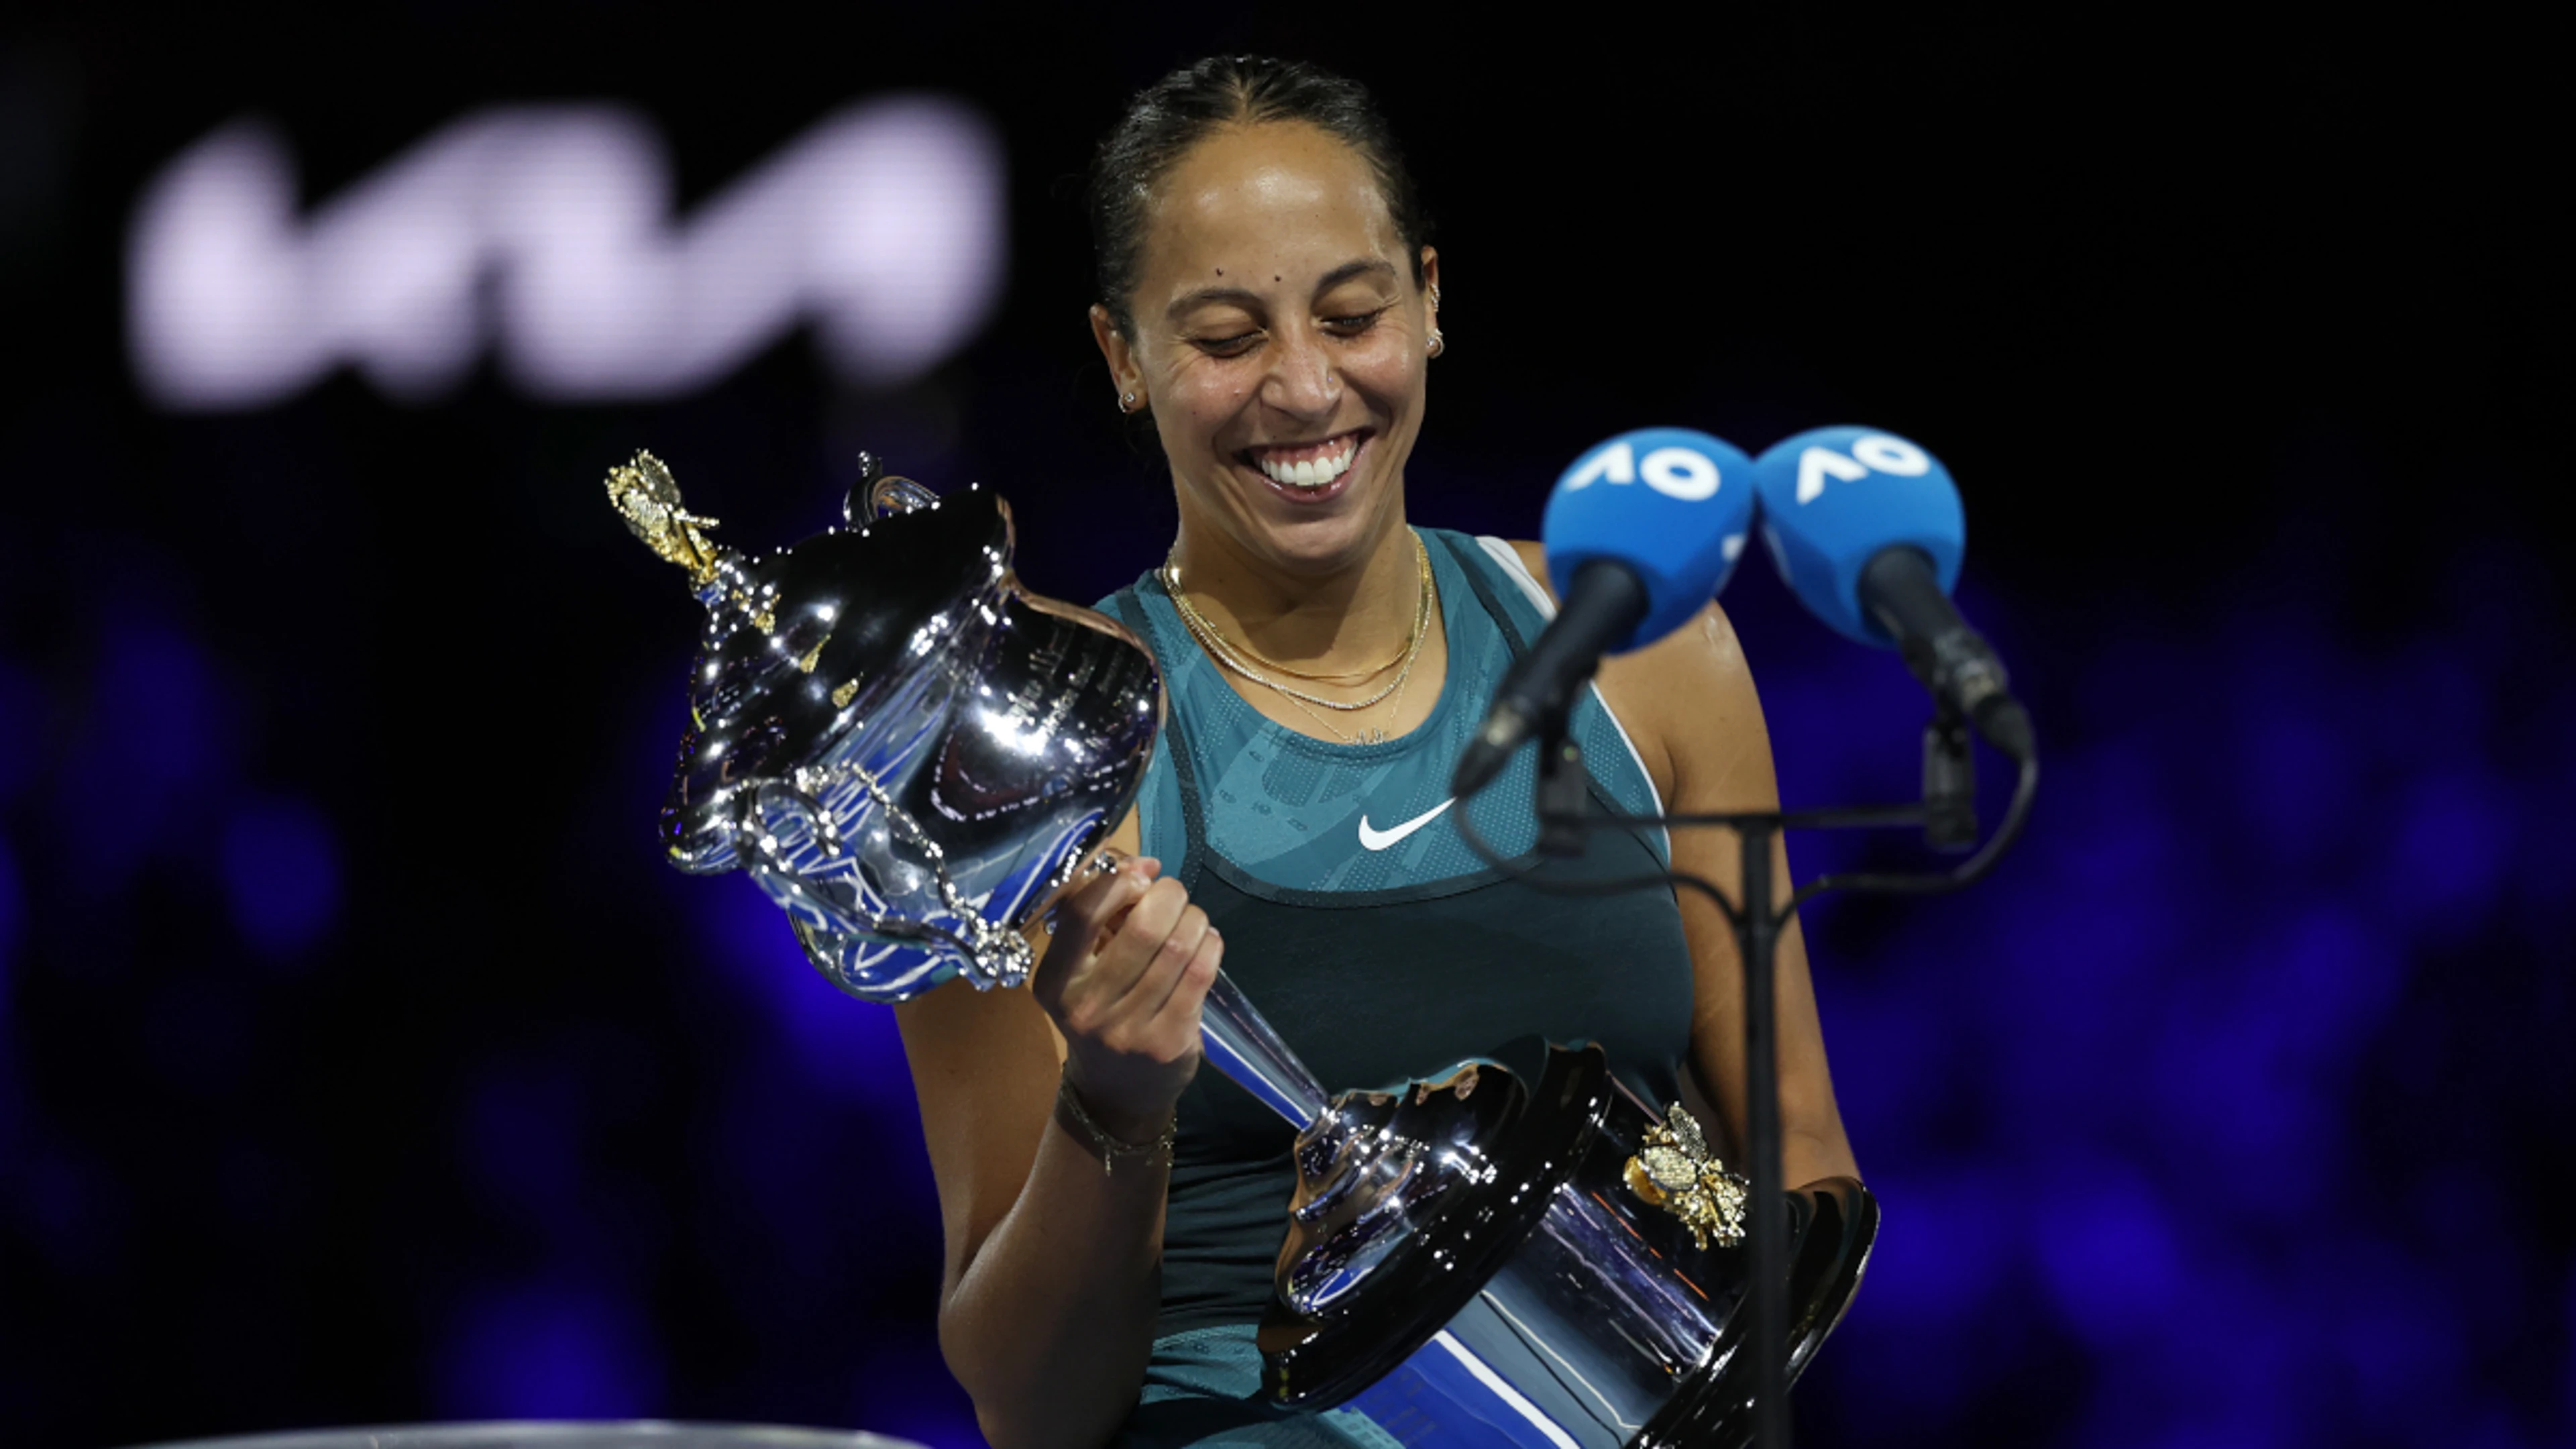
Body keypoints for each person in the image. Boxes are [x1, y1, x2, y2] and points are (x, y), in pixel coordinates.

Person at [889, 55, 1860, 1449]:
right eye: (1224, 337)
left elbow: (1805, 1173)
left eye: (1353, 314)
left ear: (1431, 300)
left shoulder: (1654, 657)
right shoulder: (1027, 752)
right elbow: (1032, 1407)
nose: (1303, 387)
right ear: (1121, 357)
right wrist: (1114, 1105)